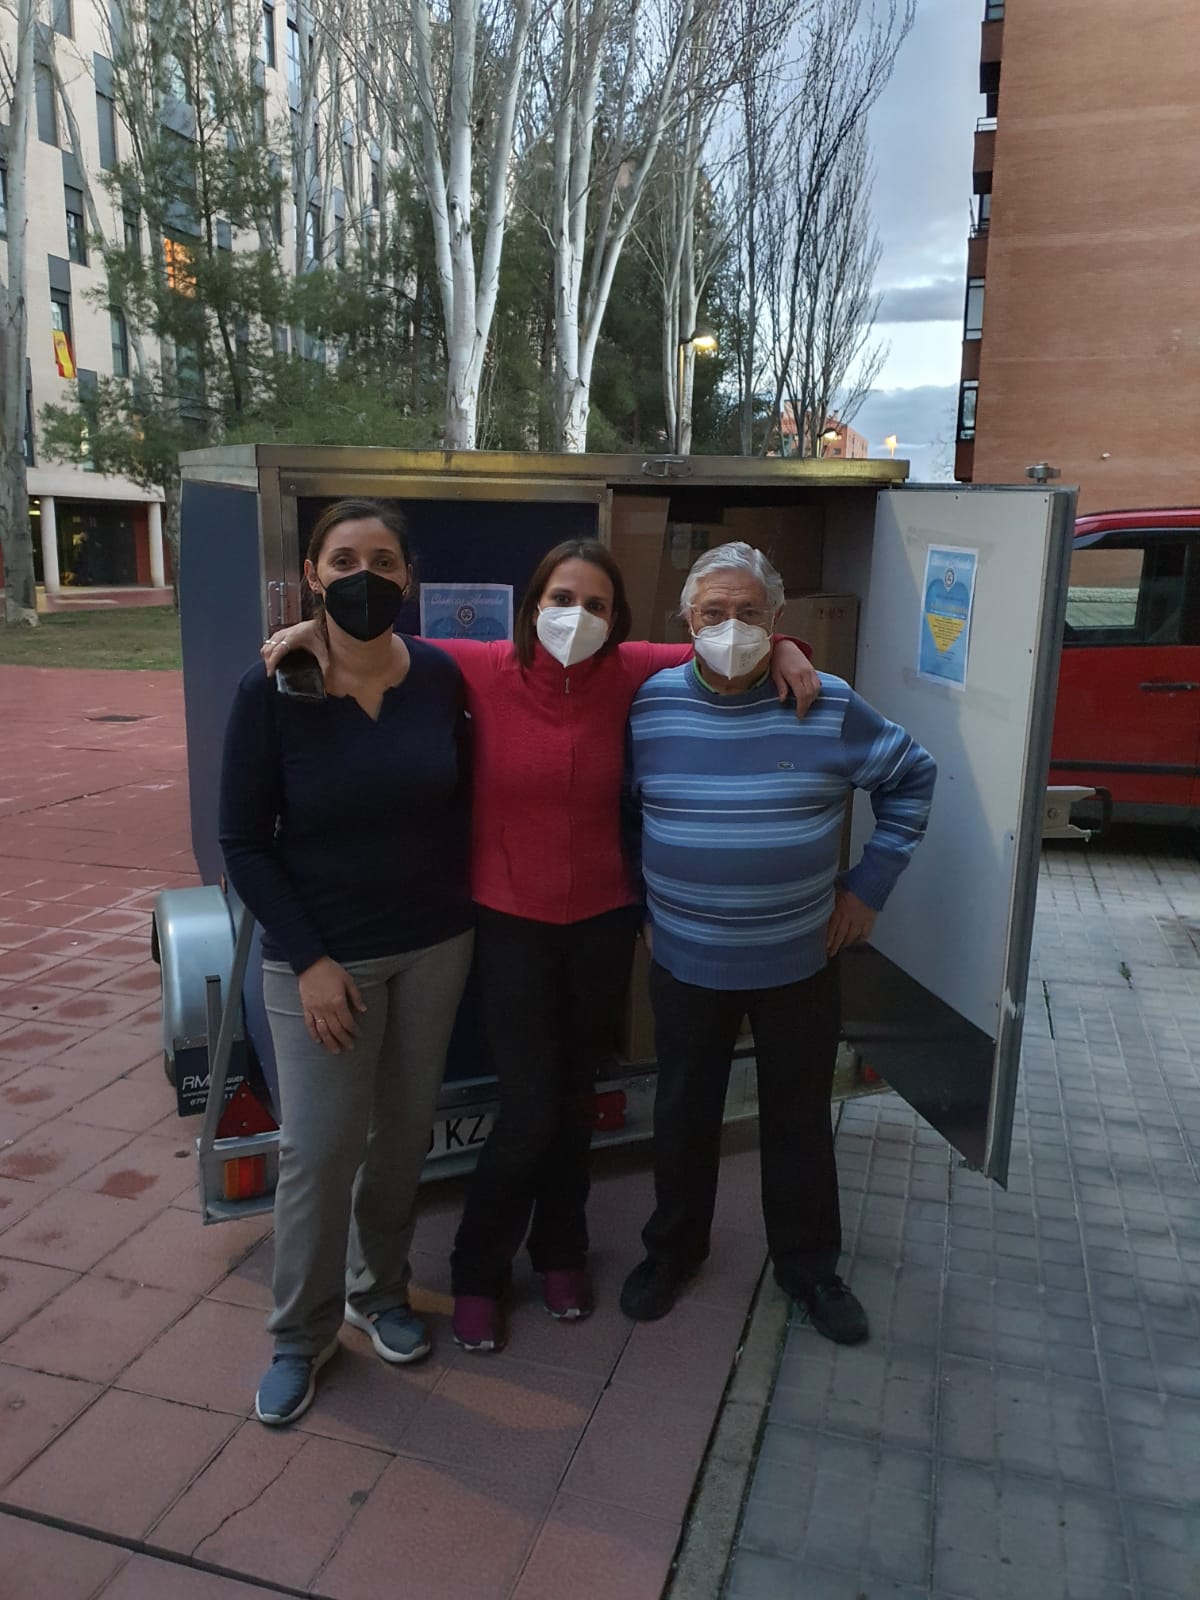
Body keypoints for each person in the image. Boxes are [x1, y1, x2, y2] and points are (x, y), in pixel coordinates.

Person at [263, 534, 821, 1355]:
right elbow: (379, 645)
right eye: (561, 600)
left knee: (571, 1102)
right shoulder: (482, 667)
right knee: (528, 1110)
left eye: (595, 605)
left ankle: (560, 1249)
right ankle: (479, 1266)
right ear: (532, 608)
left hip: (603, 921)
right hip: (510, 921)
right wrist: (311, 631)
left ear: (618, 620)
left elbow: (723, 631)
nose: (576, 617)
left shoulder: (630, 670)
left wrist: (787, 647)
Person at [619, 541, 936, 1345]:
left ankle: (809, 1269)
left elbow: (913, 778)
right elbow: (622, 814)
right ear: (687, 620)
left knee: (796, 1119)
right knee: (684, 1114)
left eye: (751, 614)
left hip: (798, 960)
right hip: (685, 960)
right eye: (714, 613)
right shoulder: (649, 705)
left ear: (779, 621)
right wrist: (641, 907)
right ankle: (673, 1253)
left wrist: (868, 888)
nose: (732, 628)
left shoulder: (824, 703)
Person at [220, 499, 475, 1425]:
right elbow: (242, 843)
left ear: (408, 577)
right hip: (322, 960)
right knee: (320, 1154)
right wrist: (312, 960)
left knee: (402, 1139)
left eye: (381, 559)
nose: (361, 574)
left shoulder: (444, 676)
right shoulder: (274, 687)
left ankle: (380, 1294)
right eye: (341, 559)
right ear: (314, 577)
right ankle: (301, 1335)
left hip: (436, 946)